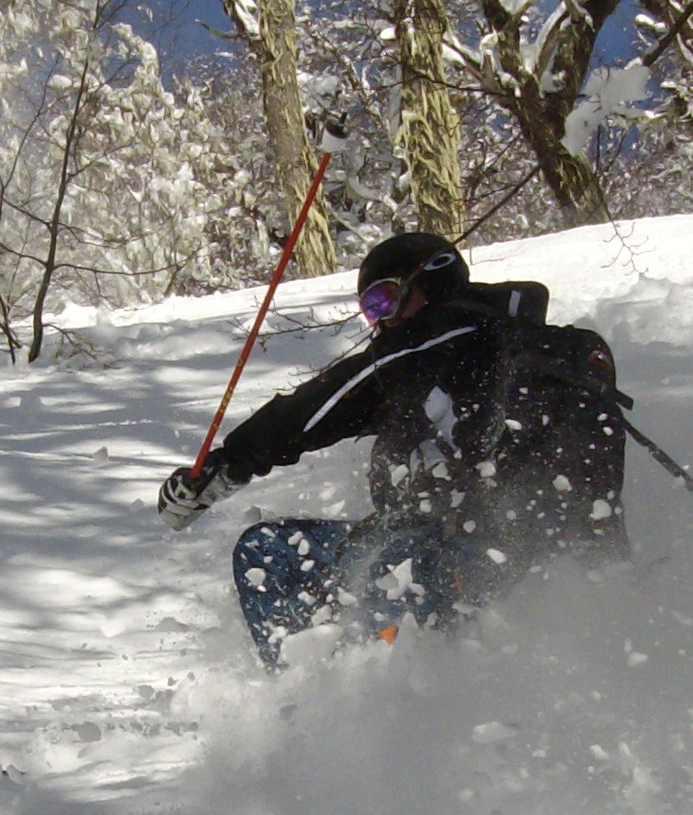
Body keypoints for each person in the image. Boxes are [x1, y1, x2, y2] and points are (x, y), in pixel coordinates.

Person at [157, 231, 616, 665]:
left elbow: (325, 403)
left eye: (386, 299)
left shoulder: (458, 338)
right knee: (270, 551)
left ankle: (373, 715)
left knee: (389, 563)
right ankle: (308, 695)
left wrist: (227, 467)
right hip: (469, 550)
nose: (384, 322)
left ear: (433, 280)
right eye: (371, 310)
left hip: (484, 556)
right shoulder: (428, 365)